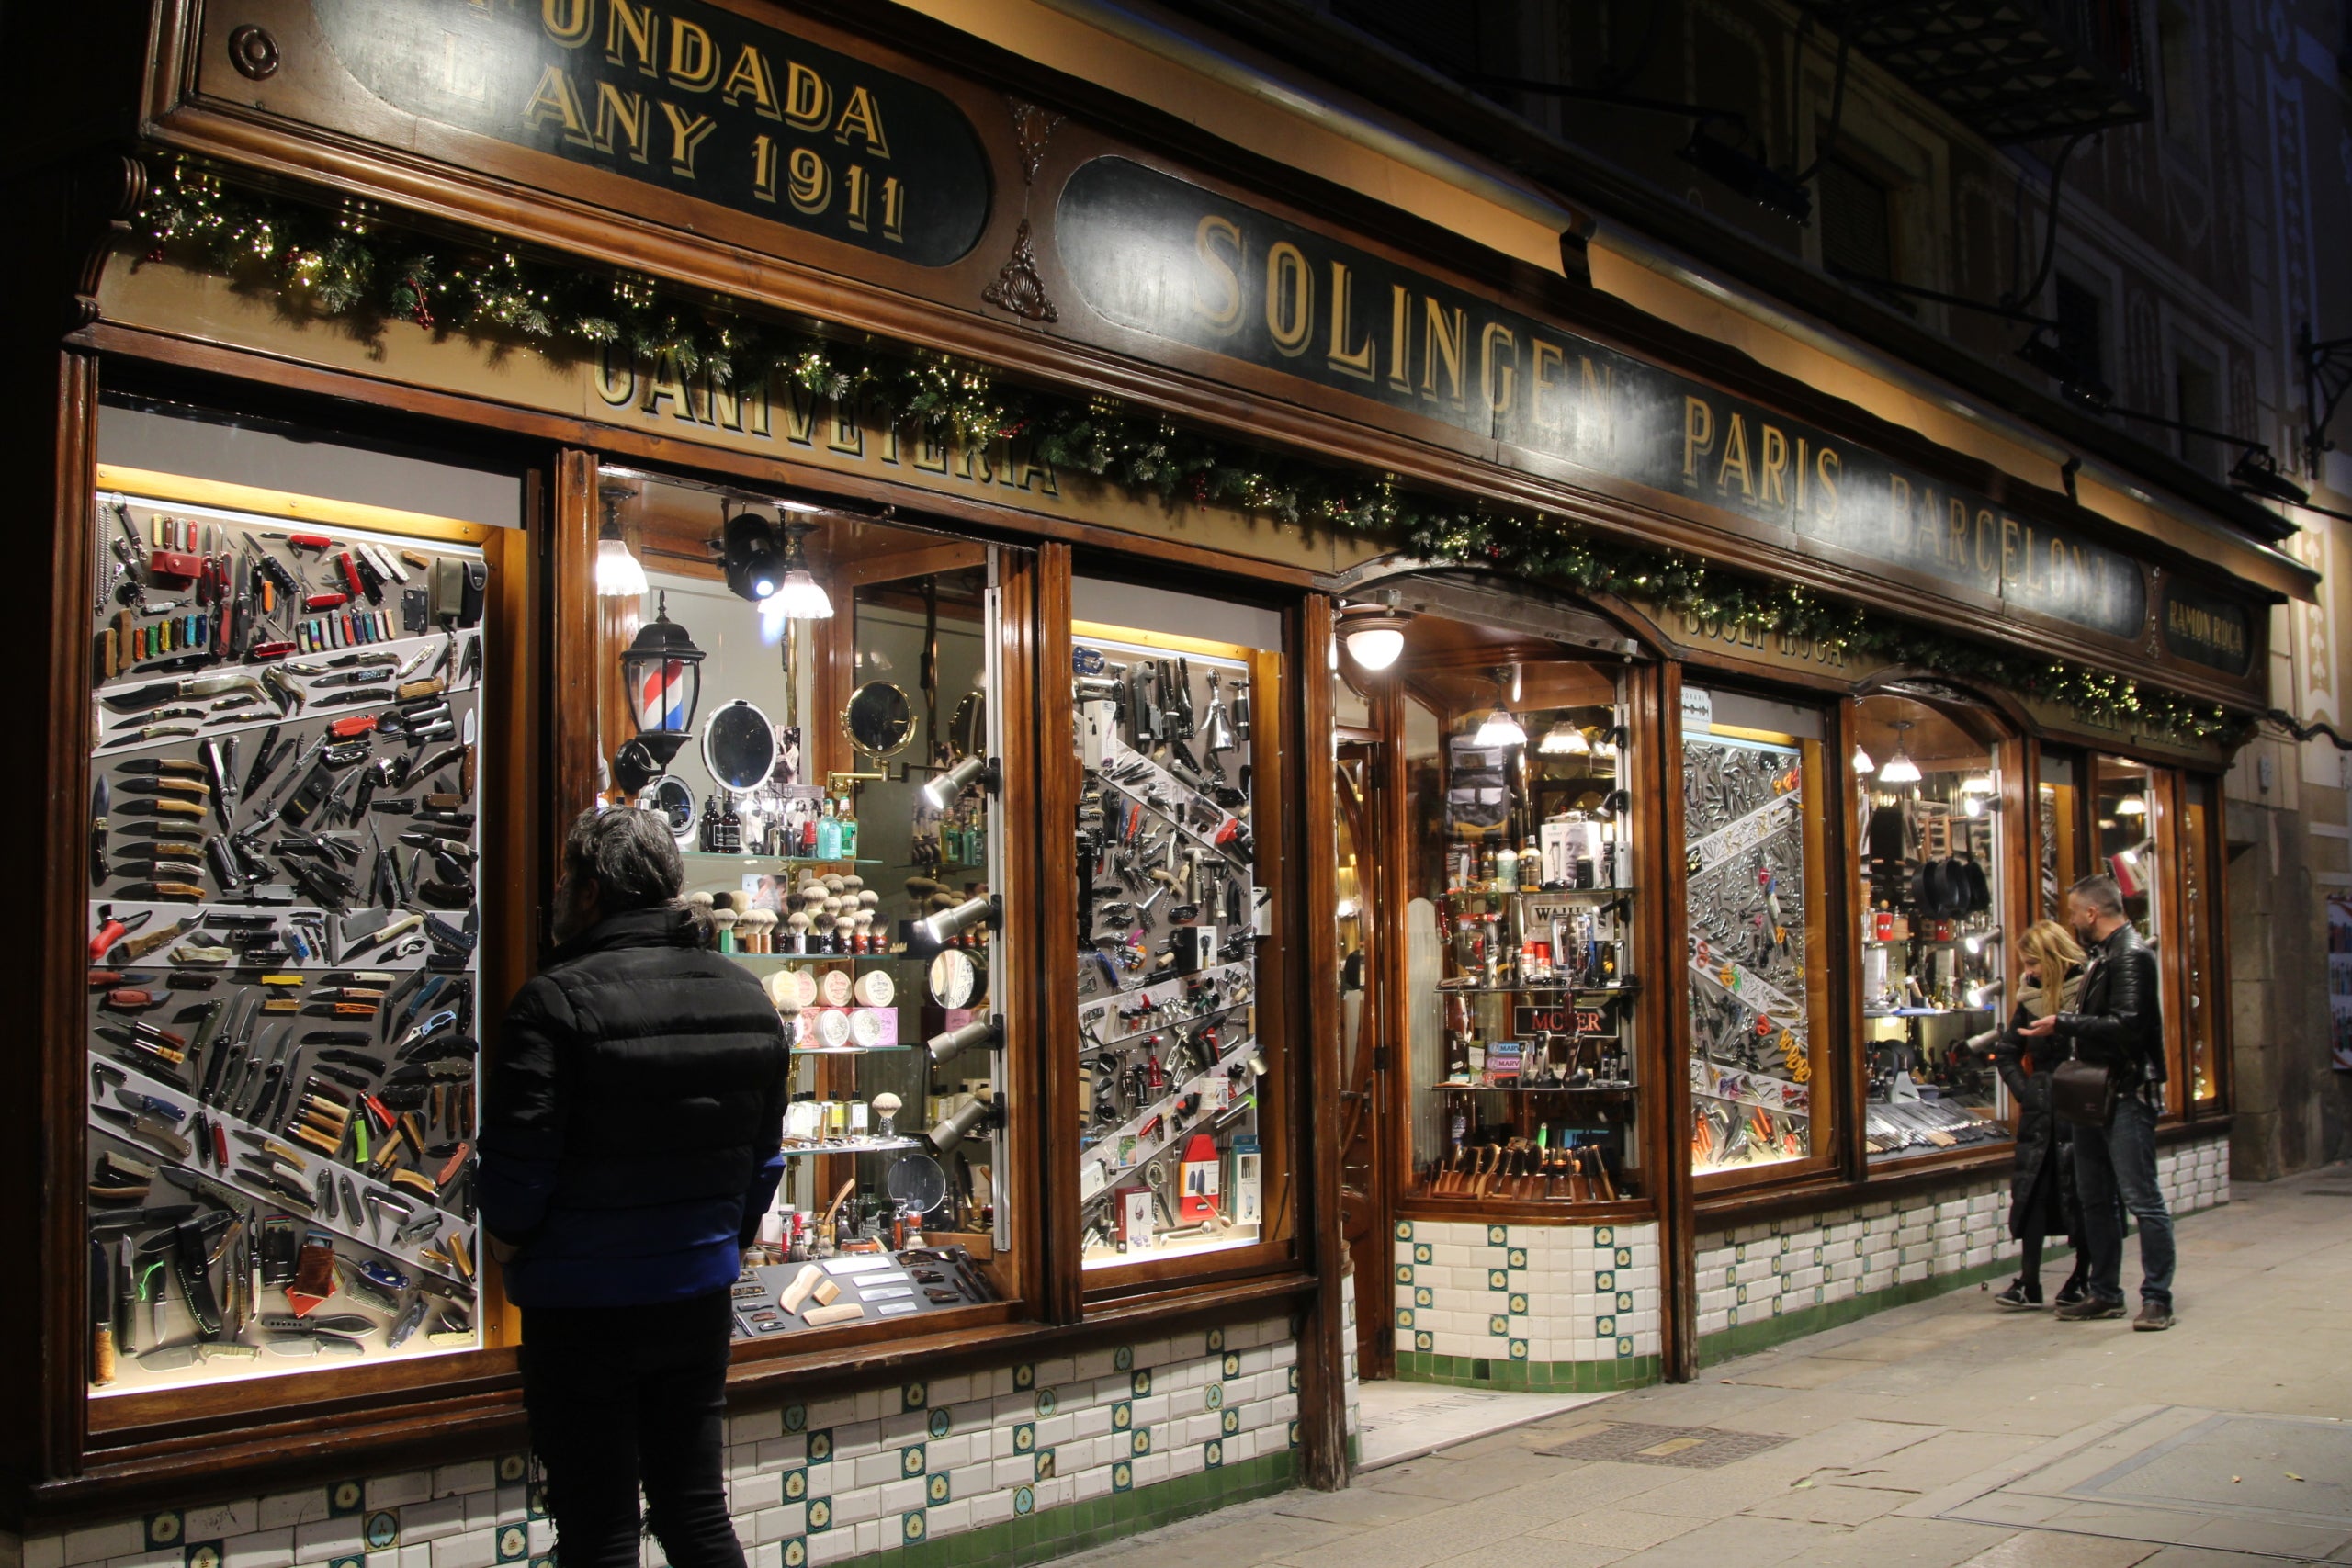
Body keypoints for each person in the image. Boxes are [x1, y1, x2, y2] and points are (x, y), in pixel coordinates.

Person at [480, 807, 793, 1568]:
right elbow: (764, 1159)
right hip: (694, 1298)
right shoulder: (749, 999)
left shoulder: (550, 1004)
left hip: (580, 1309)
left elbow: (517, 1177)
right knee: (696, 1512)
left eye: (563, 879)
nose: (554, 893)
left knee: (599, 1530)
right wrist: (724, 1238)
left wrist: (511, 1238)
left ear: (590, 892)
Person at [2019, 873, 2174, 1330]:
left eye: (2073, 913)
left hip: (2124, 1090)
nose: (2070, 921)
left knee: (2141, 1198)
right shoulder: (2105, 955)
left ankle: (2157, 1297)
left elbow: (2127, 1024)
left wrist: (2065, 1023)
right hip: (2094, 1091)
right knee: (2094, 1197)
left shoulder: (2131, 955)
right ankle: (2106, 1292)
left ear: (2093, 912)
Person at [1989, 920, 2091, 1310]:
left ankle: (2082, 1275)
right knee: (2033, 1193)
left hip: (2081, 1104)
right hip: (2043, 1110)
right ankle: (2029, 1280)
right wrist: (2028, 1091)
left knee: (2083, 1192)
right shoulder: (2030, 998)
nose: (2028, 971)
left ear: (2053, 957)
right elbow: (2007, 1051)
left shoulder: (2086, 990)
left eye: (2033, 962)